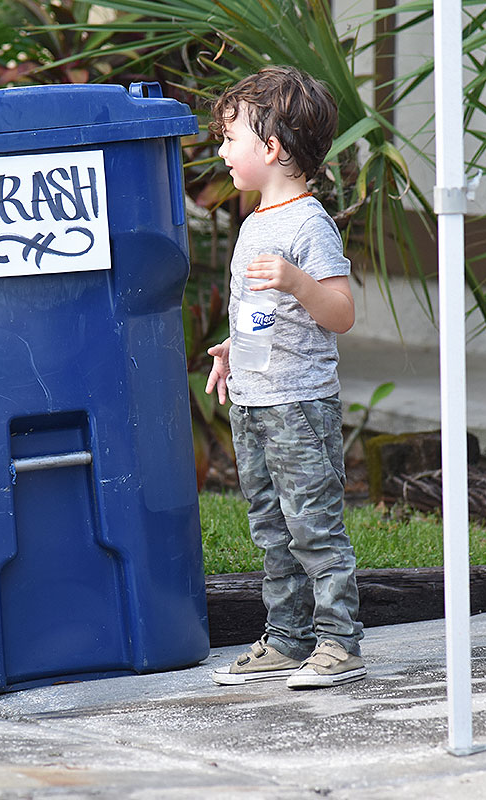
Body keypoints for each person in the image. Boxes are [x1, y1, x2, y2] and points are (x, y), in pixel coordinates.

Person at [204, 66, 366, 689]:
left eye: (229, 139)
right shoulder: (255, 223)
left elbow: (340, 313)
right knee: (271, 526)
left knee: (314, 525)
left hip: (298, 404)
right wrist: (230, 349)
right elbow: (263, 316)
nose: (223, 151)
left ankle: (338, 641)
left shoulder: (308, 224)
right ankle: (287, 638)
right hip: (254, 398)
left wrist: (299, 281)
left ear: (270, 148)